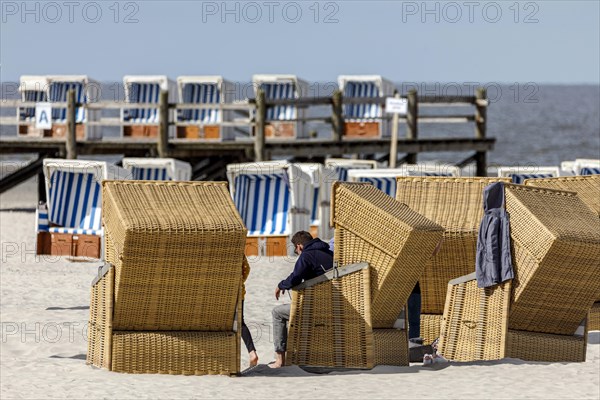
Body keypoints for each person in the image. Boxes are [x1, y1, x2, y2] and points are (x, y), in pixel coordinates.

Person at [270, 231, 333, 368]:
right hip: (332, 304)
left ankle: (280, 360)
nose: (296, 252)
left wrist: (281, 285)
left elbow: (295, 277)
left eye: (295, 249)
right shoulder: (329, 253)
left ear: (299, 246)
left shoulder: (307, 256)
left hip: (314, 307)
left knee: (278, 312)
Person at [241, 256, 259, 367]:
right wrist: (240, 281)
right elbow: (246, 268)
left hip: (214, 294)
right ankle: (252, 352)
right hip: (237, 292)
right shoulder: (236, 247)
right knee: (240, 322)